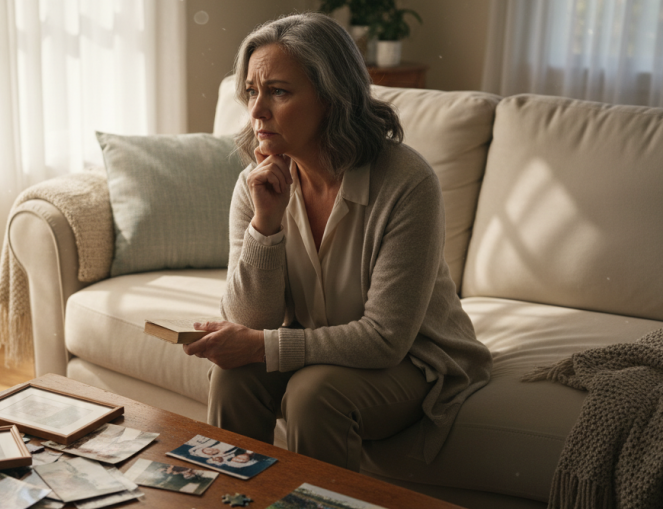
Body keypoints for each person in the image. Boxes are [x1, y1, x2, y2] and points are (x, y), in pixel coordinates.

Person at [183, 13, 492, 471]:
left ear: (332, 98)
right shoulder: (257, 183)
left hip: (415, 358)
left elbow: (386, 338)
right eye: (252, 91)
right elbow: (248, 319)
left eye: (279, 91)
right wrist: (266, 226)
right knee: (234, 378)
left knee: (313, 394)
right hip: (318, 343)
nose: (256, 111)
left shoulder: (407, 183)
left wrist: (263, 346)